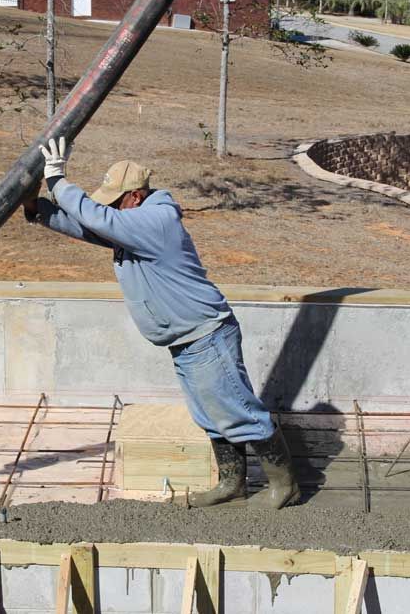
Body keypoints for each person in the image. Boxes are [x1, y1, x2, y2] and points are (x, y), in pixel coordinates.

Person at [22, 137, 299, 509]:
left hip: (206, 336)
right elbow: (86, 227)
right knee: (212, 416)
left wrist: (58, 180)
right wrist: (35, 205)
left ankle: (286, 486)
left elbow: (97, 218)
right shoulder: (134, 224)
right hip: (187, 341)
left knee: (238, 411)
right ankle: (233, 484)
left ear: (135, 196)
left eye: (116, 201)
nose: (112, 210)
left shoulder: (156, 221)